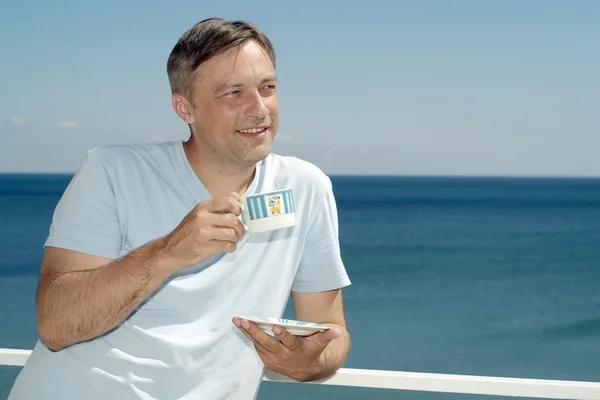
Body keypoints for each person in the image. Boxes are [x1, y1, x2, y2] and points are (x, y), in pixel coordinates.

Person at [7, 17, 351, 400]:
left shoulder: (306, 187)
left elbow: (330, 334)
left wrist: (309, 363)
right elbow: (56, 325)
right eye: (233, 92)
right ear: (184, 108)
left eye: (267, 88)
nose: (259, 108)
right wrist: (169, 252)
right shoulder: (111, 171)